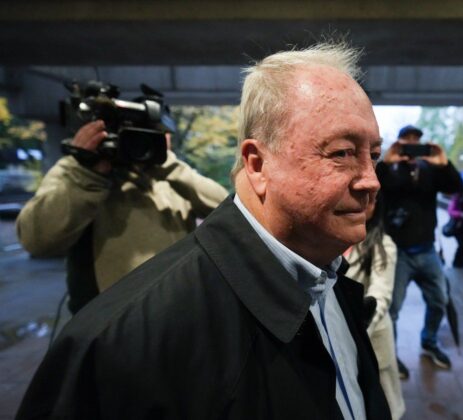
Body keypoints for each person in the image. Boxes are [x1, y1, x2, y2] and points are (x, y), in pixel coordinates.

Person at [16, 42, 391, 420]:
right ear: (257, 165)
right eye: (341, 152)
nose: (370, 181)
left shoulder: (331, 282)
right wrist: (81, 169)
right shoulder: (115, 346)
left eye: (373, 155)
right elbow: (38, 236)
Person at [15, 119, 229, 313]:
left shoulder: (167, 174)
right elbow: (36, 239)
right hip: (111, 324)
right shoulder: (77, 171)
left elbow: (227, 211)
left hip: (181, 310)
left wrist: (167, 164)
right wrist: (87, 172)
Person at [376, 125, 463, 377]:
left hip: (427, 250)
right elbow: (373, 189)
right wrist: (386, 161)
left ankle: (429, 341)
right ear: (399, 142)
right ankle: (391, 354)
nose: (412, 145)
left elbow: (456, 187)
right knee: (392, 309)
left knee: (439, 301)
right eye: (407, 140)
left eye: (417, 141)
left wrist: (443, 163)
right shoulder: (391, 171)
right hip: (398, 252)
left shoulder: (431, 170)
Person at [345, 193, 405, 419]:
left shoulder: (383, 244)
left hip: (372, 334)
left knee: (385, 403)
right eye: (358, 196)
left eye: (371, 199)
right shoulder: (334, 238)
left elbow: (381, 294)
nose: (363, 203)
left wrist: (358, 328)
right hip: (345, 334)